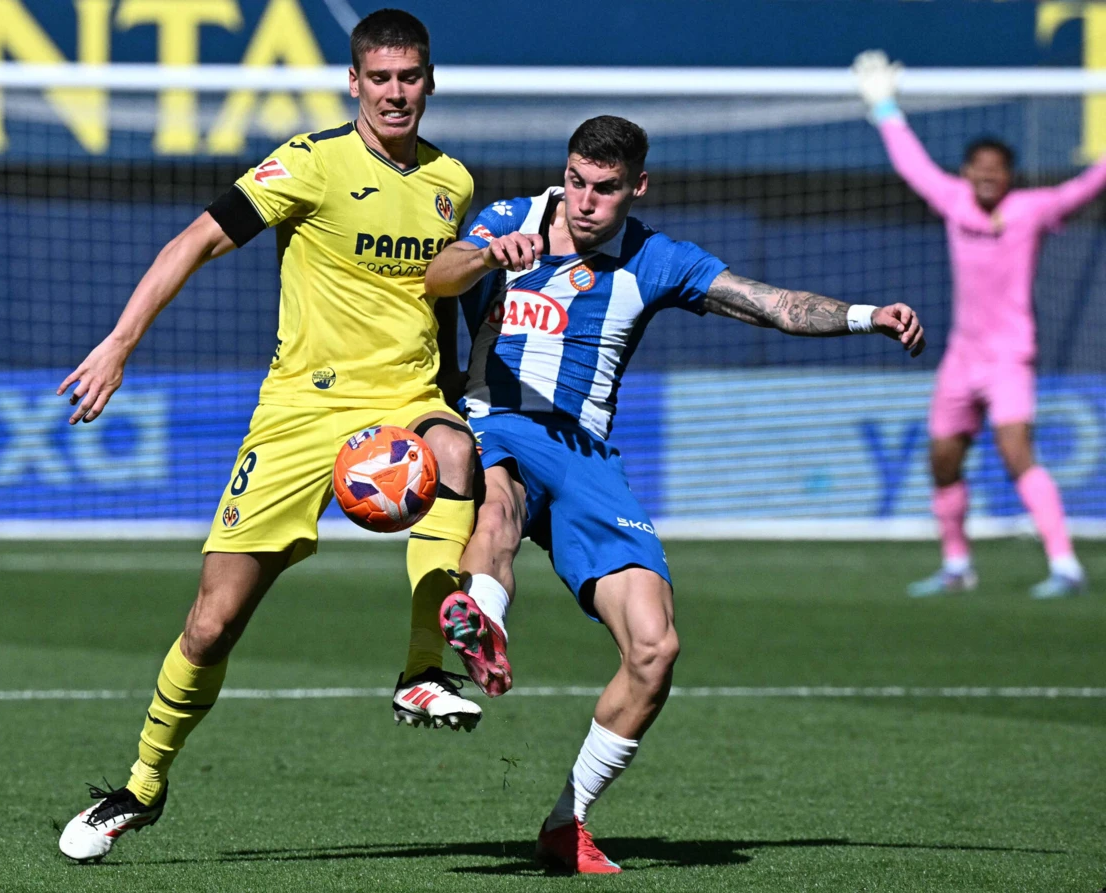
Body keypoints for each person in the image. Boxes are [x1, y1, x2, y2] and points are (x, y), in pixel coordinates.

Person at [425, 115, 927, 874]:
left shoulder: (657, 259)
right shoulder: (512, 219)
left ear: (637, 187)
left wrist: (867, 317)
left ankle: (568, 820)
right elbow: (439, 273)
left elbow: (770, 304)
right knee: (499, 504)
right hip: (503, 422)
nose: (585, 201)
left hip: (588, 456)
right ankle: (482, 621)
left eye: (605, 189)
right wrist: (489, 254)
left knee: (656, 648)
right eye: (577, 182)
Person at [57, 9, 484, 863]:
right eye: (381, 78)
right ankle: (140, 786)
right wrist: (121, 341)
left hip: (405, 397)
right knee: (213, 624)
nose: (397, 93)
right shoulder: (312, 161)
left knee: (458, 451)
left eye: (411, 78)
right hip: (299, 410)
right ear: (354, 83)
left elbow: (456, 296)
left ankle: (422, 670)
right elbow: (199, 239)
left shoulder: (455, 184)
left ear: (429, 83)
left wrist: (471, 388)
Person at [853, 50, 1105, 599]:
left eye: (997, 170)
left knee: (1018, 453)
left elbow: (1086, 187)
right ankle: (957, 565)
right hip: (962, 357)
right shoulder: (954, 202)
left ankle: (1065, 565)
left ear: (1009, 176)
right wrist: (885, 108)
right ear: (968, 172)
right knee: (942, 459)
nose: (988, 177)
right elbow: (913, 166)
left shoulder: (1031, 209)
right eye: (979, 169)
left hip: (1011, 355)